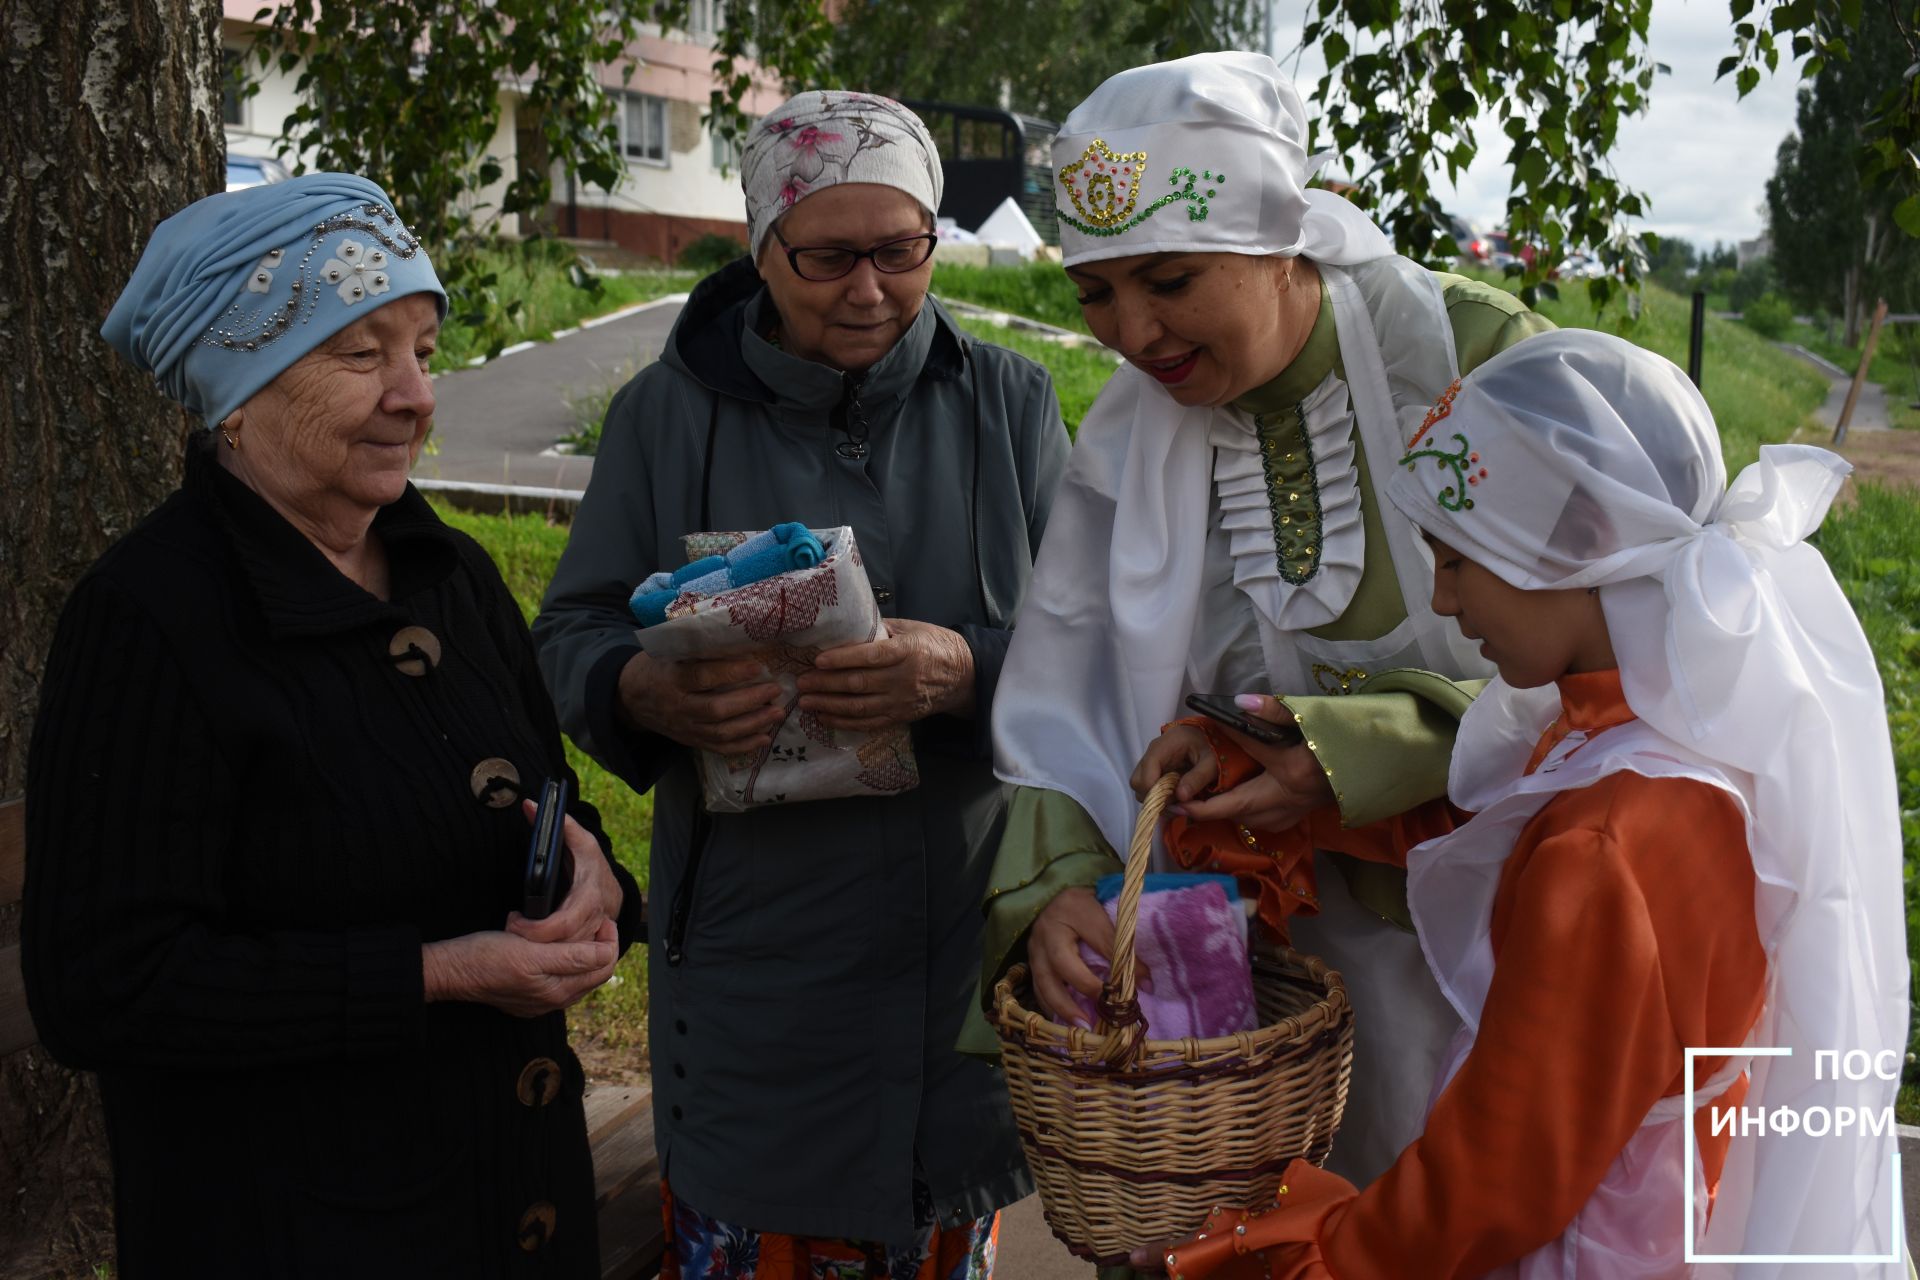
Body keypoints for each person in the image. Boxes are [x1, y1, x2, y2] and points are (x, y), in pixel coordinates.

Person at [1145, 330, 1906, 1278]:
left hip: (1586, 1240)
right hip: (1677, 1199)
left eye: (1458, 561)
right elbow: (1505, 814)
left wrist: (1339, 1258)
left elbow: (1501, 1169)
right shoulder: (1684, 730)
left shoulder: (1603, 843)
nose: (1445, 601)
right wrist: (1308, 791)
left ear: (1578, 547)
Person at [23, 173, 644, 1277]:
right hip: (305, 1228)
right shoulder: (151, 619)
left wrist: (596, 874)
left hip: (511, 1202)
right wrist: (440, 973)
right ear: (236, 397)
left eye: (421, 347)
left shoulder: (443, 570)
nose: (416, 395)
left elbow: (541, 800)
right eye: (362, 356)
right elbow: (104, 986)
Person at [978, 51, 1553, 1187]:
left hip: (1506, 942)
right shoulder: (1129, 439)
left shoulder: (1470, 366)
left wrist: (1357, 752)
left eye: (1172, 279)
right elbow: (1068, 691)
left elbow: (1618, 659)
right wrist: (1053, 895)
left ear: (1281, 235)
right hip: (1254, 1002)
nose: (1133, 333)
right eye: (1096, 291)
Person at [533, 90, 1069, 1277]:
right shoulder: (667, 416)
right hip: (761, 964)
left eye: (901, 250)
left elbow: (1089, 651)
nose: (870, 289)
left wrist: (965, 665)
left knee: (941, 1223)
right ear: (760, 246)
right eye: (828, 257)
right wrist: (642, 691)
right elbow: (568, 626)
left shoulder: (1010, 407)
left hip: (959, 958)